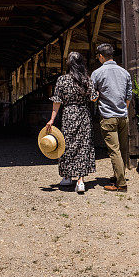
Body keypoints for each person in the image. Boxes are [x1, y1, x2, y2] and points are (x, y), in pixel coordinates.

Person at [46, 51, 98, 194]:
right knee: (83, 146)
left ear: (69, 64)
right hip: (83, 115)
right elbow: (94, 98)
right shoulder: (87, 80)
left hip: (68, 115)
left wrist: (51, 120)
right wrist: (96, 94)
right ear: (81, 63)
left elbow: (57, 101)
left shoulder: (62, 80)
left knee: (66, 145)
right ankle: (80, 182)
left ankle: (67, 177)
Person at [90, 43, 132, 192]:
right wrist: (123, 109)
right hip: (122, 116)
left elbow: (93, 96)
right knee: (122, 148)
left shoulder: (97, 73)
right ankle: (118, 174)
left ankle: (121, 184)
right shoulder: (124, 72)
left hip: (108, 117)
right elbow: (129, 95)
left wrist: (97, 97)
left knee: (114, 151)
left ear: (101, 56)